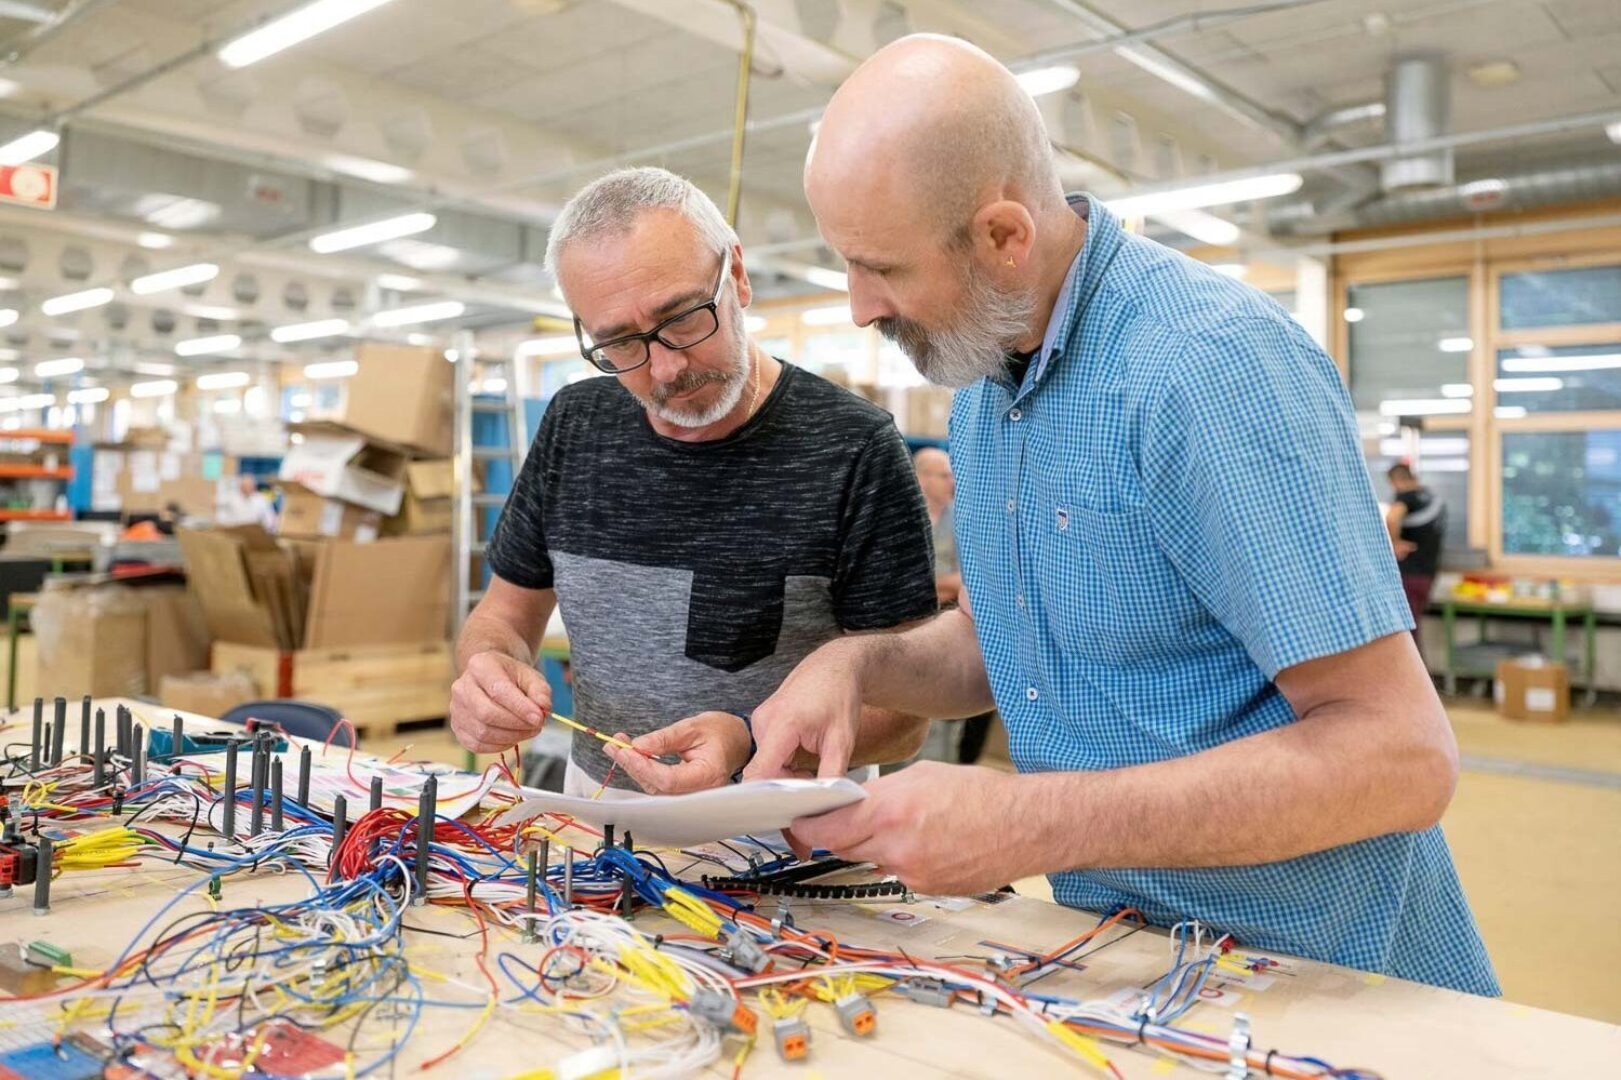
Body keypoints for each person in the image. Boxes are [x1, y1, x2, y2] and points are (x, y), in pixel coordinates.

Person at [619, 36, 1497, 995]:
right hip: (1122, 967)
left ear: (1003, 236)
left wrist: (1028, 820)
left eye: (881, 268)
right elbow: (1023, 642)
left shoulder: (1207, 371)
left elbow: (1401, 758)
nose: (860, 306)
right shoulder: (982, 380)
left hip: (1321, 981)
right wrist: (863, 661)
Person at [450, 166, 937, 798]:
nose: (665, 368)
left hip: (780, 830)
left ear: (736, 273)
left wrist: (751, 741)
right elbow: (504, 616)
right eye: (620, 343)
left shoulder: (854, 447)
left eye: (682, 318)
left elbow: (906, 716)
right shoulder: (574, 425)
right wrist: (488, 669)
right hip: (598, 812)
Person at [911, 446, 996, 764]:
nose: (952, 481)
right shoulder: (905, 516)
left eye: (953, 474)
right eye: (945, 475)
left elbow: (974, 579)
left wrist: (926, 589)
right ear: (922, 478)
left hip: (956, 629)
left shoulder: (964, 518)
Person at [1385, 462, 1446, 662]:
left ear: (1395, 481)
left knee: (1405, 631)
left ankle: (1414, 683)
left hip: (1409, 574)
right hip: (1427, 573)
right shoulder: (1433, 499)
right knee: (1414, 626)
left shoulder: (1405, 497)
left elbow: (1393, 518)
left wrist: (1394, 543)